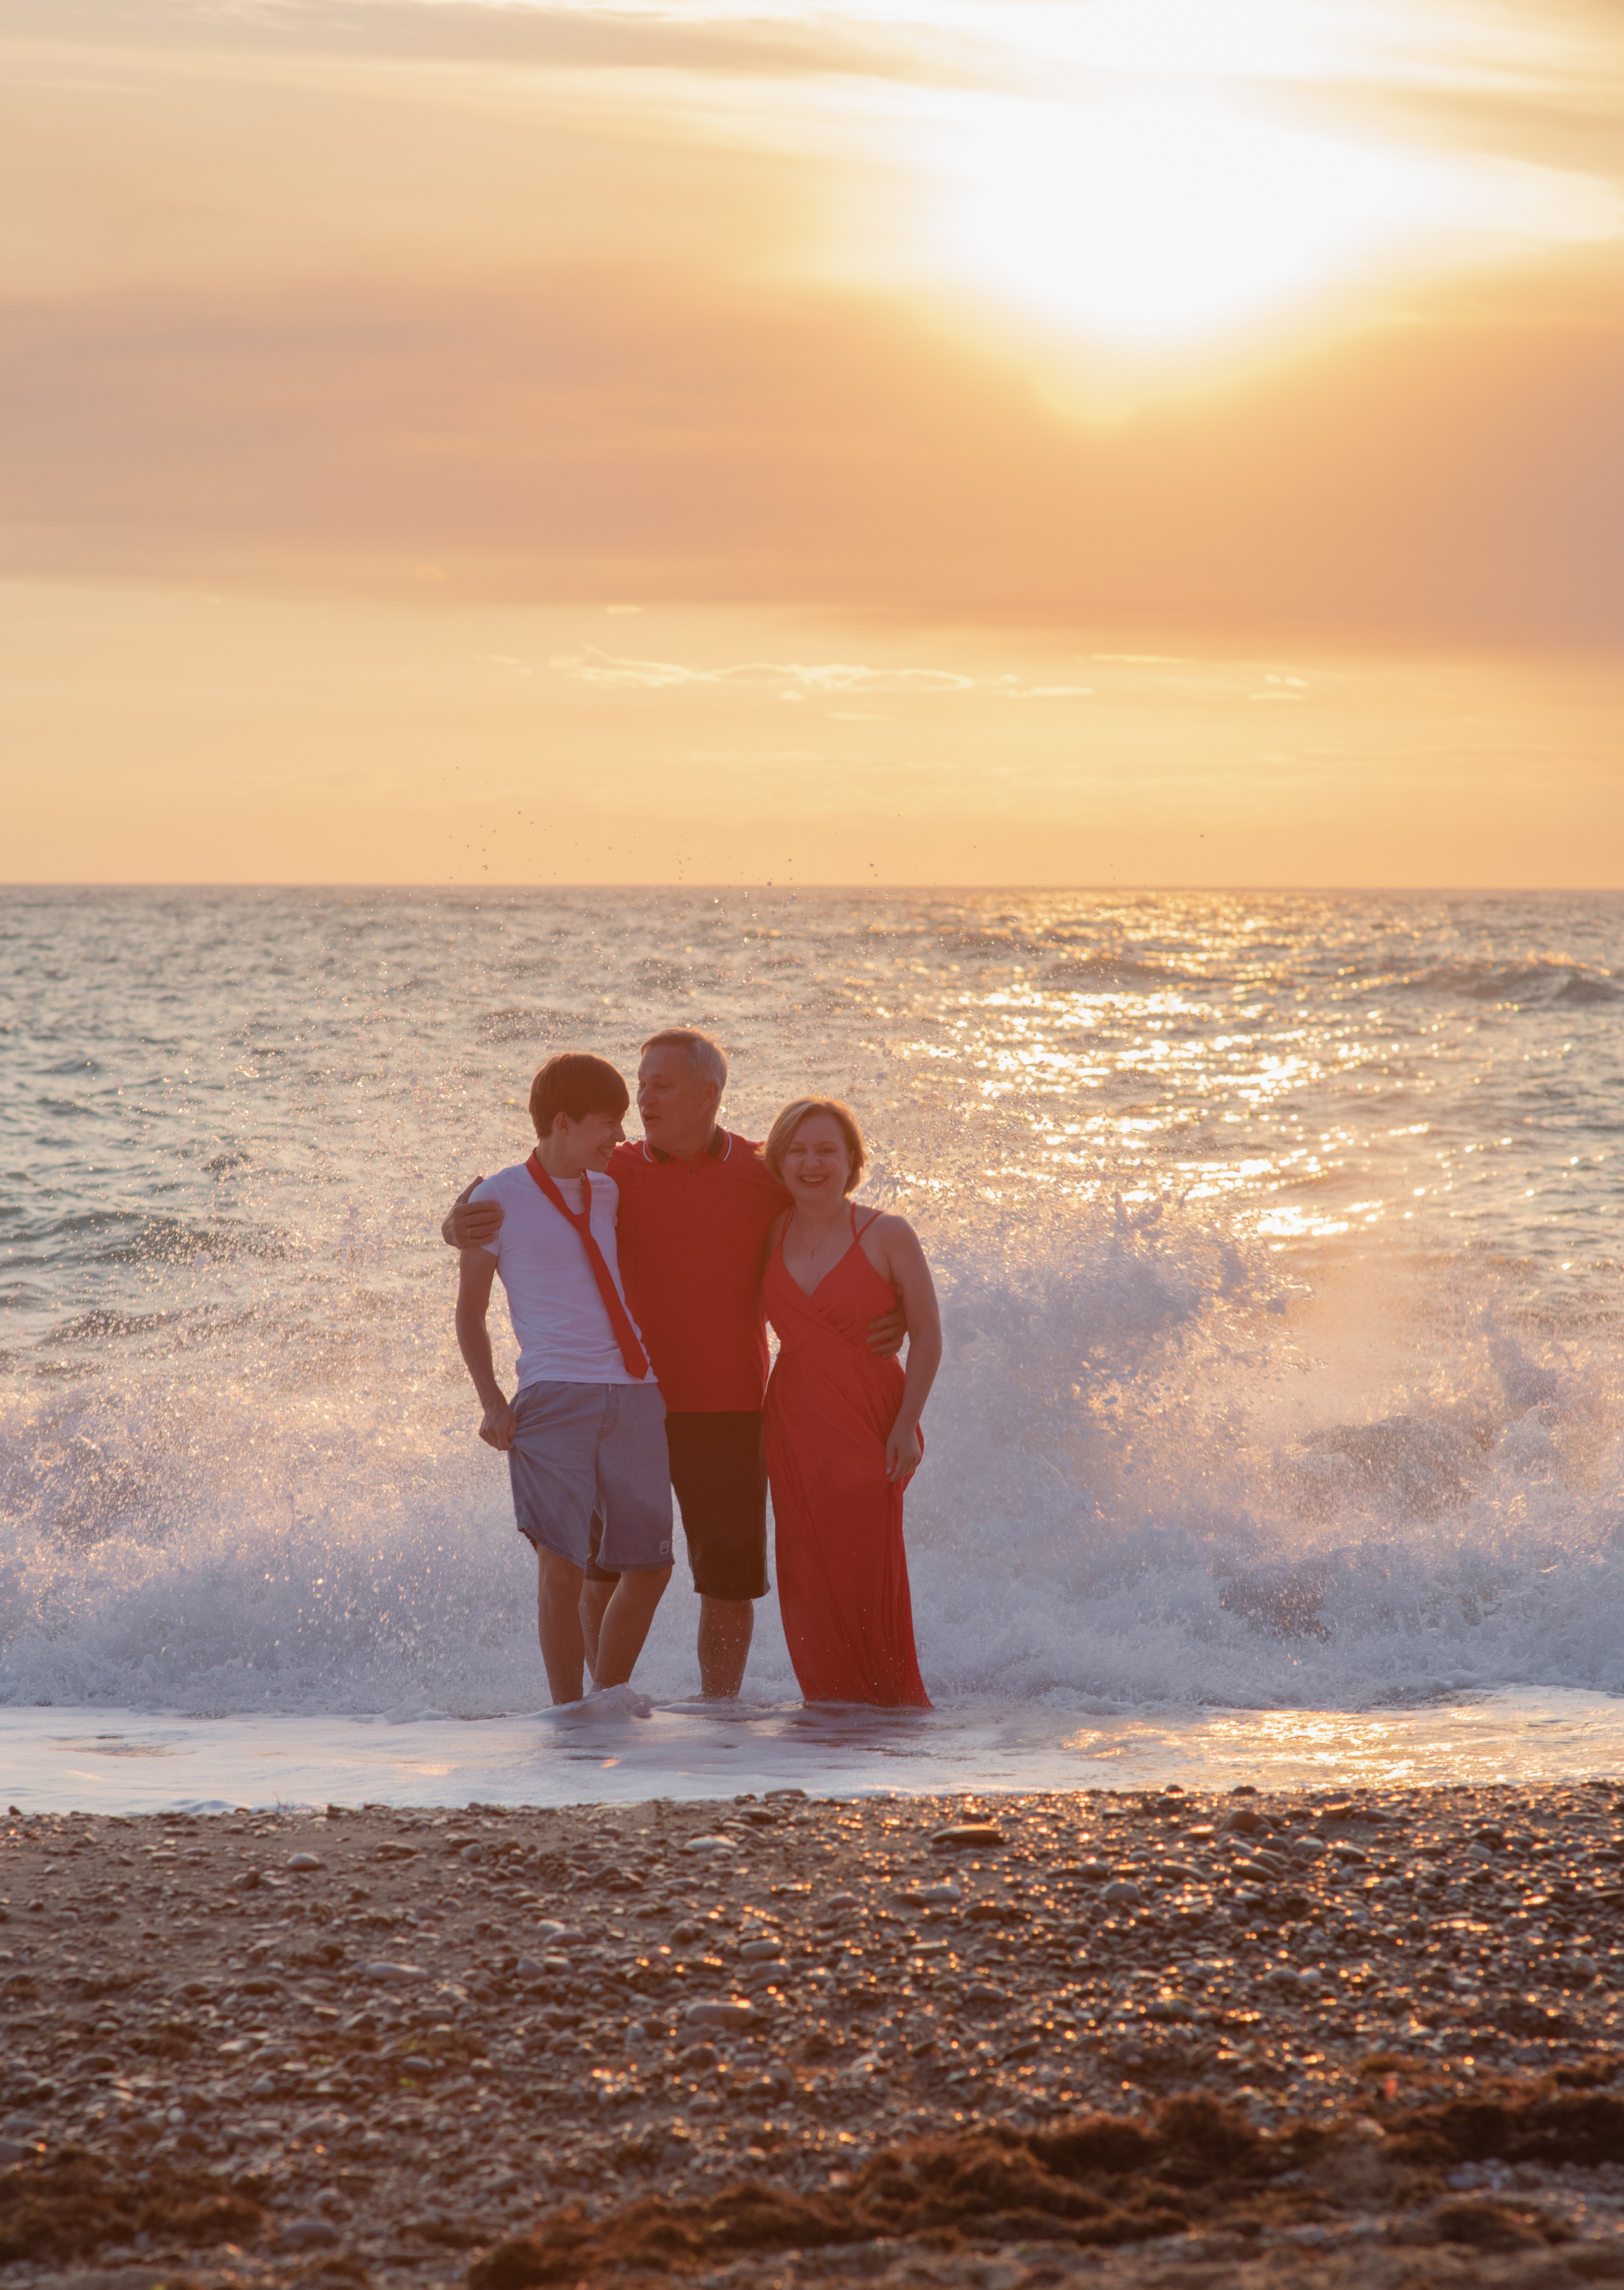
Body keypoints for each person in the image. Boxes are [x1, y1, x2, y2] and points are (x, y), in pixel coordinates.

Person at [443, 1030, 906, 1698]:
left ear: (708, 1093)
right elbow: (529, 1195)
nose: (643, 1097)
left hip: (729, 1405)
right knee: (602, 1571)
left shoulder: (763, 1171)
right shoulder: (610, 1171)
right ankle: (597, 1714)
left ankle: (718, 1719)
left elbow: (832, 1225)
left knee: (727, 1579)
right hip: (625, 1400)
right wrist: (456, 1226)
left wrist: (883, 1311)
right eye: (641, 1081)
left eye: (660, 1084)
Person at [454, 1052, 672, 1706]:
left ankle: (608, 1695)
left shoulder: (610, 1187)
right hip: (553, 1395)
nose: (620, 1137)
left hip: (636, 1392)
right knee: (561, 1568)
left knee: (652, 1565)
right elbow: (469, 1314)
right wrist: (492, 1401)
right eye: (609, 1123)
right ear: (563, 1122)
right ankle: (568, 1714)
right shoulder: (495, 1197)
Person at [762, 1097, 941, 1708]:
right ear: (780, 1159)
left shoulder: (887, 1232)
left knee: (868, 1560)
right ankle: (831, 1707)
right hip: (792, 1417)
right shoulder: (770, 1228)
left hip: (871, 1415)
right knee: (806, 1565)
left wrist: (907, 1425)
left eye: (826, 1151)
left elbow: (928, 1335)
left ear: (852, 1160)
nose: (811, 1163)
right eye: (798, 1150)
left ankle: (891, 1702)